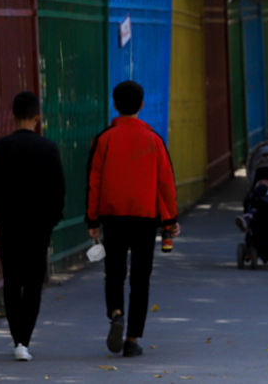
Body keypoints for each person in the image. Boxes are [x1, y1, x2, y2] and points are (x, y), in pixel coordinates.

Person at [86, 81, 179, 358]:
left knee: (114, 272)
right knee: (141, 278)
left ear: (114, 105)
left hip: (113, 216)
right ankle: (132, 340)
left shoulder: (104, 139)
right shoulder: (154, 140)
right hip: (144, 217)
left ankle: (116, 313)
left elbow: (94, 181)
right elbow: (166, 183)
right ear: (142, 105)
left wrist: (92, 220)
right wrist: (170, 219)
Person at [0, 91, 66, 361]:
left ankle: (16, 338)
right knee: (33, 283)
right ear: (38, 117)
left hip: (9, 224)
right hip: (39, 226)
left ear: (13, 115)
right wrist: (51, 220)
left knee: (11, 280)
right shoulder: (49, 148)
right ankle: (25, 341)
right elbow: (58, 190)